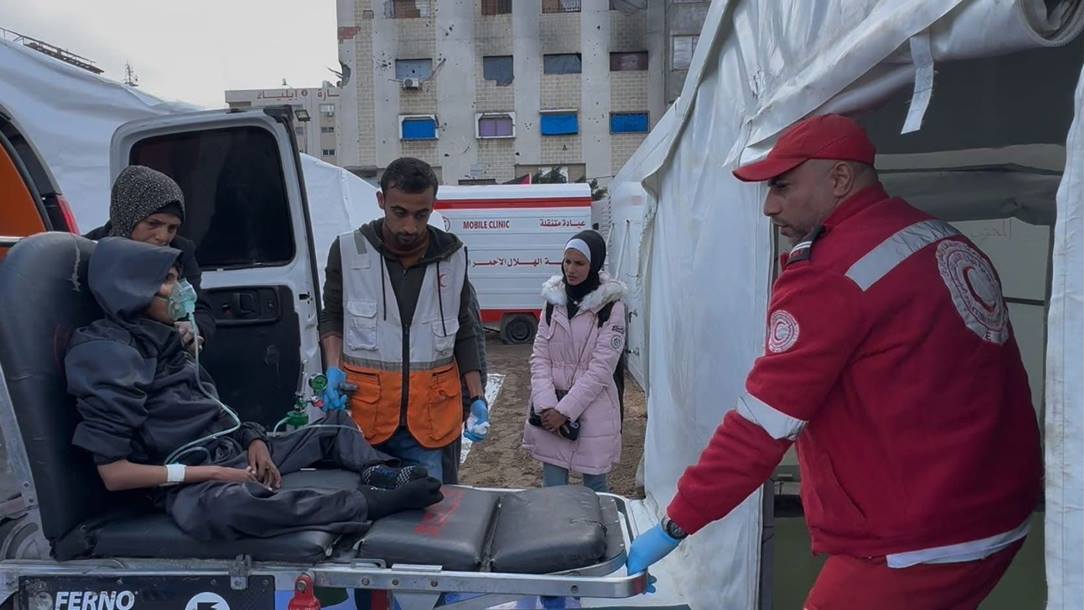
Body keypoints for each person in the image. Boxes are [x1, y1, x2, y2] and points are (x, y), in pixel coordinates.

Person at [625, 115, 1042, 610]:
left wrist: (676, 523)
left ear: (840, 179)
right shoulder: (940, 238)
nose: (769, 207)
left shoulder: (829, 273)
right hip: (997, 513)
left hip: (916, 538)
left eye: (782, 186)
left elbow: (761, 428)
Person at [65, 237, 443, 541]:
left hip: (227, 451)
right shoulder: (107, 354)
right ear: (129, 287)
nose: (182, 290)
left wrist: (253, 439)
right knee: (231, 510)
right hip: (186, 479)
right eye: (168, 281)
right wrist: (214, 474)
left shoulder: (167, 339)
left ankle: (384, 474)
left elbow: (212, 409)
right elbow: (115, 473)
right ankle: (363, 504)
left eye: (180, 278)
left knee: (334, 425)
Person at [318, 157, 488, 484]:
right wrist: (333, 368)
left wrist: (477, 396)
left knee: (429, 520)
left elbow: (465, 329)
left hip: (429, 424)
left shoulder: (452, 256)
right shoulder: (348, 250)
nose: (410, 226)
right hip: (366, 419)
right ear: (381, 201)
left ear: (432, 207)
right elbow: (332, 316)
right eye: (400, 212)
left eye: (421, 214)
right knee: (367, 514)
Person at [523, 230, 625, 494]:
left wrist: (564, 412)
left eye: (579, 263)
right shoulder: (552, 303)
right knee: (554, 493)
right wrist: (546, 407)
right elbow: (540, 357)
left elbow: (602, 369)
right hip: (550, 411)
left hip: (593, 411)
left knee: (595, 492)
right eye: (567, 261)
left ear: (595, 265)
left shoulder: (611, 308)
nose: (571, 269)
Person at [85, 165, 215, 352]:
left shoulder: (180, 251)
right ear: (129, 216)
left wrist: (193, 328)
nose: (163, 237)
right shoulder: (91, 251)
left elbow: (200, 308)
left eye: (172, 228)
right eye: (153, 224)